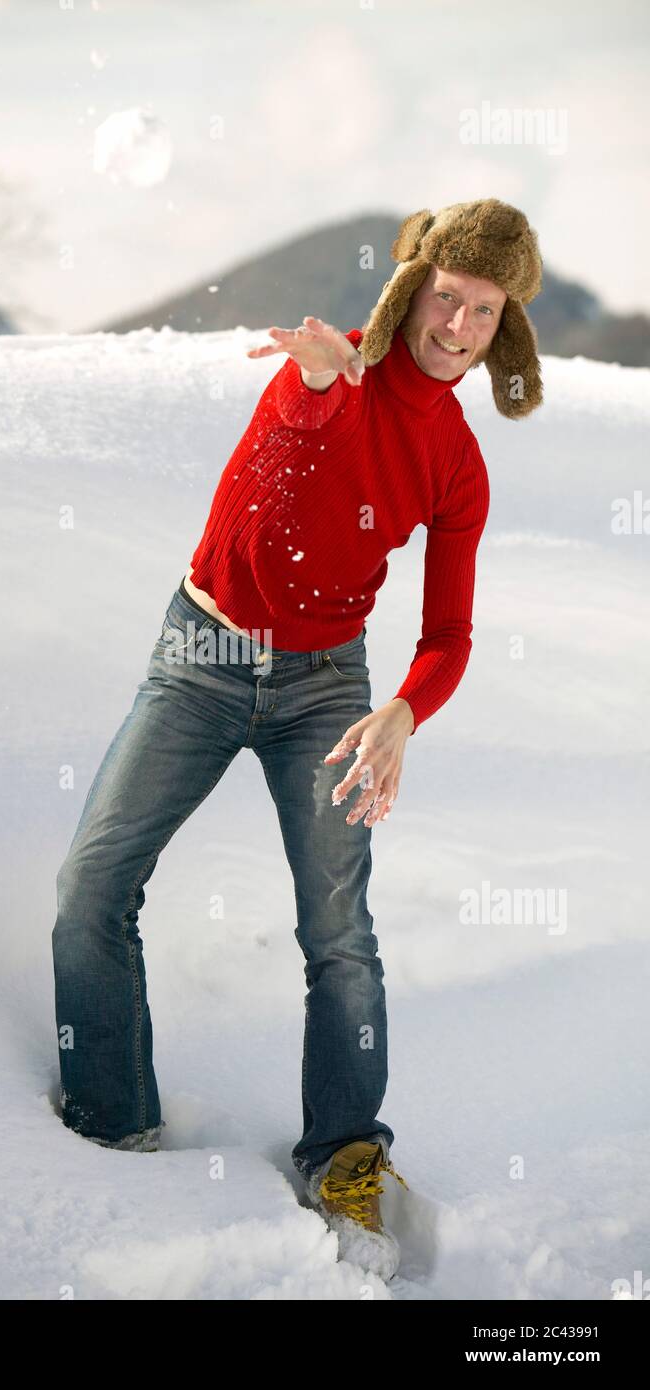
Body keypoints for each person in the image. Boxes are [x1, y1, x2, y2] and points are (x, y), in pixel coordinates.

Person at [51, 197, 544, 1281]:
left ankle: (346, 1151)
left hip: (329, 688)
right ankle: (113, 1126)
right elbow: (305, 424)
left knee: (341, 933)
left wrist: (405, 710)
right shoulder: (331, 376)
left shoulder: (460, 462)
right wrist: (321, 375)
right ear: (411, 289)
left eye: (482, 306)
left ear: (503, 324)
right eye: (445, 295)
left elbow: (450, 631)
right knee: (92, 887)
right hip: (204, 654)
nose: (457, 322)